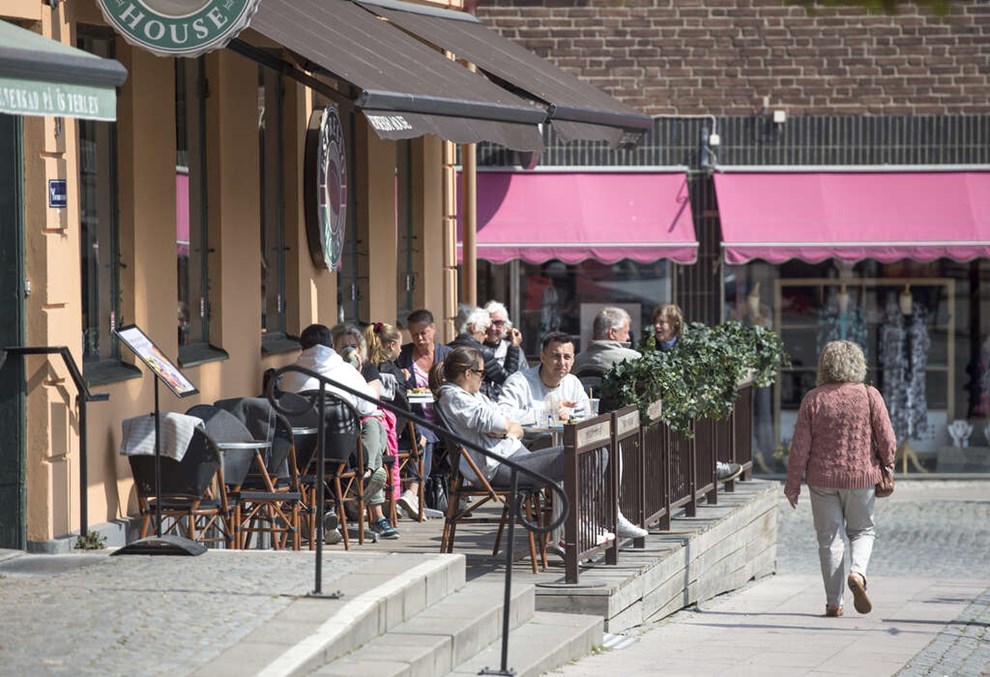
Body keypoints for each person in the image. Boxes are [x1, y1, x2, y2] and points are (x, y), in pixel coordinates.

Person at [499, 332, 647, 540]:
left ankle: (611, 514)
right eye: (555, 356)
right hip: (529, 448)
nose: (562, 362)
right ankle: (577, 522)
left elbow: (585, 417)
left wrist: (572, 418)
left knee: (610, 446)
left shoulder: (573, 383)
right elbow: (502, 415)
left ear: (573, 360)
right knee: (586, 454)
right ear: (542, 356)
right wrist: (548, 410)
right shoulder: (519, 381)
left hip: (566, 443)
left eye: (567, 357)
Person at [785, 340, 896, 618]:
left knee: (829, 540)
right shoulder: (870, 395)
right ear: (858, 365)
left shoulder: (813, 399)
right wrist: (888, 466)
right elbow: (887, 438)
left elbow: (800, 446)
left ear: (825, 366)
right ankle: (857, 573)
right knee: (862, 531)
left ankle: (834, 603)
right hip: (861, 477)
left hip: (822, 479)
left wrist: (793, 484)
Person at [281, 324, 398, 540]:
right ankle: (365, 477)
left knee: (374, 427)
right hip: (343, 453)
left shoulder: (289, 374)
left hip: (301, 455)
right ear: (331, 345)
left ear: (302, 346)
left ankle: (339, 502)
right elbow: (368, 407)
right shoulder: (346, 371)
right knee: (374, 425)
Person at [432, 346, 563, 489]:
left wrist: (507, 428)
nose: (483, 378)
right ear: (468, 374)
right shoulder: (454, 397)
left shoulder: (473, 395)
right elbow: (497, 422)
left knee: (573, 454)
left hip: (507, 457)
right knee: (569, 455)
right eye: (482, 373)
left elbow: (502, 415)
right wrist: (507, 428)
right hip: (498, 466)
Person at [648, 303, 744, 484]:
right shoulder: (648, 347)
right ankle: (703, 471)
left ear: (675, 325)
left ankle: (709, 469)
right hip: (660, 410)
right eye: (655, 322)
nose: (657, 326)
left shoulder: (689, 348)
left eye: (662, 322)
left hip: (686, 407)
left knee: (697, 429)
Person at [397, 309, 451, 512]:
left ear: (433, 329)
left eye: (423, 333)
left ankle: (412, 493)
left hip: (444, 421)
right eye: (414, 334)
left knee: (423, 433)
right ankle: (412, 494)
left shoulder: (447, 355)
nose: (419, 339)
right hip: (415, 420)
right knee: (422, 433)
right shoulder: (403, 356)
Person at [448, 307, 518, 400]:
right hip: (479, 401)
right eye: (484, 330)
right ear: (473, 328)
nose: (485, 335)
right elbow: (508, 379)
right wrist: (514, 347)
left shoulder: (447, 348)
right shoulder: (482, 352)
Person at [573, 306, 641, 376]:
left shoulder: (576, 361)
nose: (628, 337)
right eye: (625, 332)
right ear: (612, 333)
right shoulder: (634, 358)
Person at [483, 300, 527, 371]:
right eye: (489, 323)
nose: (493, 328)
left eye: (498, 324)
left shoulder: (513, 348)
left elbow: (524, 373)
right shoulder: (475, 348)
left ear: (505, 326)